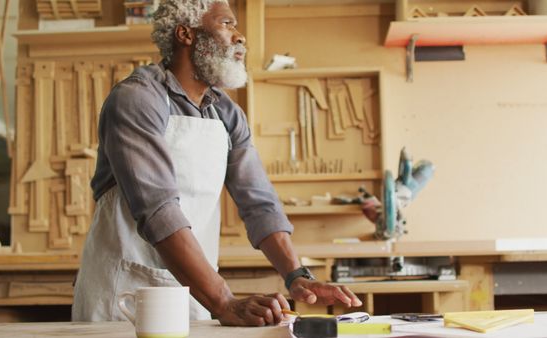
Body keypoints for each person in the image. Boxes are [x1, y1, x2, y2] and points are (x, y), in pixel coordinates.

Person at [72, 0, 361, 326]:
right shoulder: (137, 99)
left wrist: (297, 276)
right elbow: (157, 210)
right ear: (186, 34)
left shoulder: (226, 114)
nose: (240, 37)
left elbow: (259, 202)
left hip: (194, 288)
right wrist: (224, 301)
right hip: (124, 294)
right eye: (227, 24)